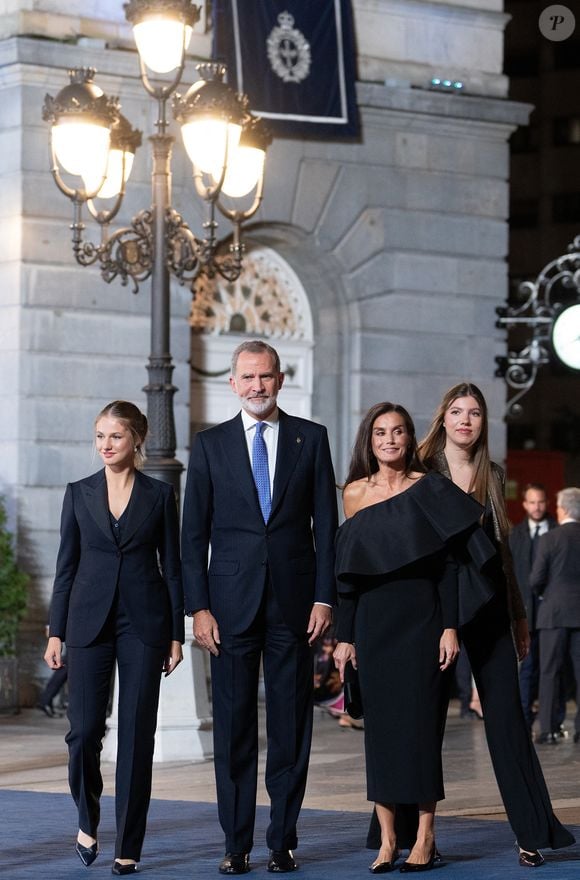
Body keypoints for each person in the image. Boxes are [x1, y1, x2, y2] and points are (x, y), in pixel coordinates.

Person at [181, 339, 338, 875]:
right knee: (233, 727)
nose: (256, 386)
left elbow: (327, 527)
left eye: (265, 377)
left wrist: (324, 596)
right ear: (233, 383)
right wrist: (197, 608)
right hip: (227, 610)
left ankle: (283, 840)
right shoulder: (209, 445)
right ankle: (236, 842)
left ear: (280, 378)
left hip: (295, 607)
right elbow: (192, 535)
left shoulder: (310, 439)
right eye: (247, 378)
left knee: (292, 725)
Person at [418, 382, 575, 866]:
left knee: (507, 721)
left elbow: (501, 553)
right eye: (458, 412)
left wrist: (519, 614)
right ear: (443, 417)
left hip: (488, 604)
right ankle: (411, 835)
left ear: (484, 423)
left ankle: (531, 831)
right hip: (430, 607)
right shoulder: (423, 471)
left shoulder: (493, 473)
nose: (466, 420)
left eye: (476, 414)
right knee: (421, 724)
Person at [332, 402, 492, 873]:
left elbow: (449, 565)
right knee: (379, 736)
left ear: (409, 438)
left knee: (422, 733)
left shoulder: (432, 489)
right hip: (372, 626)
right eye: (381, 432)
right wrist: (346, 636)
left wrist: (449, 626)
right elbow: (348, 574)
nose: (390, 439)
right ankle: (387, 842)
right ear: (370, 440)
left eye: (399, 431)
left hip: (423, 622)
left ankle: (425, 837)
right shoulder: (355, 494)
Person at [43, 400, 184, 876]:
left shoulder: (160, 497)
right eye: (100, 436)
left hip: (144, 625)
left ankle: (129, 844)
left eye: (115, 436)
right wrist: (55, 630)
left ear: (136, 440)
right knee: (82, 732)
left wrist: (175, 634)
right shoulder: (78, 492)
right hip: (86, 624)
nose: (106, 445)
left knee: (137, 735)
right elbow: (66, 567)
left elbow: (173, 569)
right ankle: (87, 818)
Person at [530, 487, 580, 746]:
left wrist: (545, 594)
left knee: (549, 672)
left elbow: (536, 579)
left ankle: (548, 730)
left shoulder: (550, 539)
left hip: (554, 613)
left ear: (562, 510)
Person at [509, 483, 558, 731]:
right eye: (532, 502)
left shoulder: (559, 531)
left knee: (555, 669)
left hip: (554, 614)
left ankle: (554, 721)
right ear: (525, 505)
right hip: (527, 615)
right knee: (527, 669)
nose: (537, 507)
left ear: (547, 503)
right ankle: (525, 721)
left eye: (540, 502)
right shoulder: (514, 535)